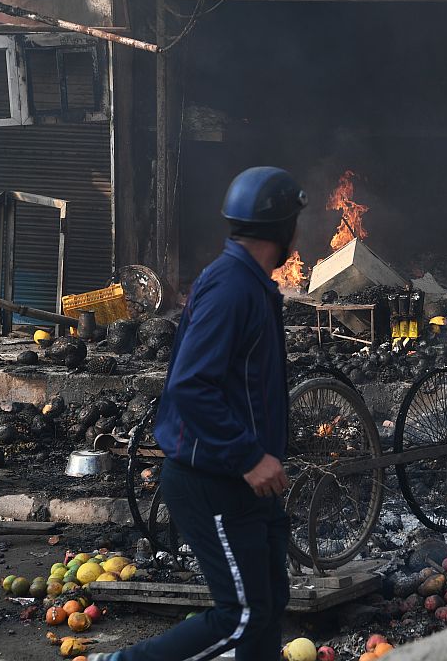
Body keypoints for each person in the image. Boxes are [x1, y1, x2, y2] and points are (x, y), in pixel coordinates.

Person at [91, 167, 306, 661]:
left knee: (269, 606)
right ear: (284, 228)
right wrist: (249, 456)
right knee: (242, 615)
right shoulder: (233, 288)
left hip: (246, 483)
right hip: (212, 479)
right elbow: (190, 386)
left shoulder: (250, 284)